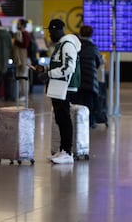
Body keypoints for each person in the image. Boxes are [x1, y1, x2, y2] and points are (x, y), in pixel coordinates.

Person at [35, 19, 81, 164]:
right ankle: (62, 150)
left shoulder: (67, 45)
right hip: (58, 87)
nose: (50, 34)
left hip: (65, 88)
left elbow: (68, 68)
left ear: (58, 30)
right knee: (60, 119)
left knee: (65, 119)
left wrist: (48, 74)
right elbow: (59, 66)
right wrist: (45, 70)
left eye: (51, 31)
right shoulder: (60, 45)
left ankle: (67, 152)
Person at [74, 25, 103, 129]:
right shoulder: (93, 48)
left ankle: (76, 122)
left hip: (77, 79)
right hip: (90, 80)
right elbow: (99, 62)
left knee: (77, 102)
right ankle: (90, 122)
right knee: (89, 103)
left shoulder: (76, 47)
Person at [12, 19, 31, 101]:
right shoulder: (19, 33)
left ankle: (24, 94)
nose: (17, 25)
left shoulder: (25, 34)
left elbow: (25, 45)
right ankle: (21, 94)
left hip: (23, 58)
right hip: (20, 58)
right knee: (19, 76)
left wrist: (15, 42)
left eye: (18, 24)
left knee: (23, 76)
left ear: (22, 25)